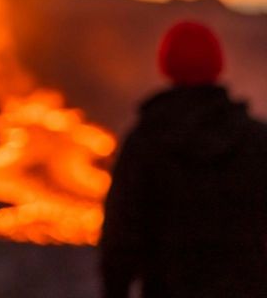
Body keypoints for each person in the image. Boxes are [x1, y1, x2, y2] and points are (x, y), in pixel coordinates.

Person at [100, 20, 267, 298]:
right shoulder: (257, 141)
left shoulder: (145, 144)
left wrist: (115, 289)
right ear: (218, 66)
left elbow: (120, 239)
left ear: (165, 65)